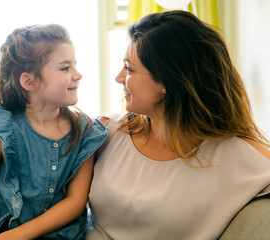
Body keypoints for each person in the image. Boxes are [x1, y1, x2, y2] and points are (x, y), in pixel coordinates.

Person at [86, 10, 270, 240]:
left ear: (166, 81)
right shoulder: (107, 132)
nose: (119, 77)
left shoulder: (234, 154)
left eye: (129, 68)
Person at [0, 24, 108, 240]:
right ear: (29, 81)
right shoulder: (2, 130)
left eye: (74, 65)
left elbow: (76, 202)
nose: (78, 75)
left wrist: (19, 235)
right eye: (65, 68)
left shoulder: (85, 131)